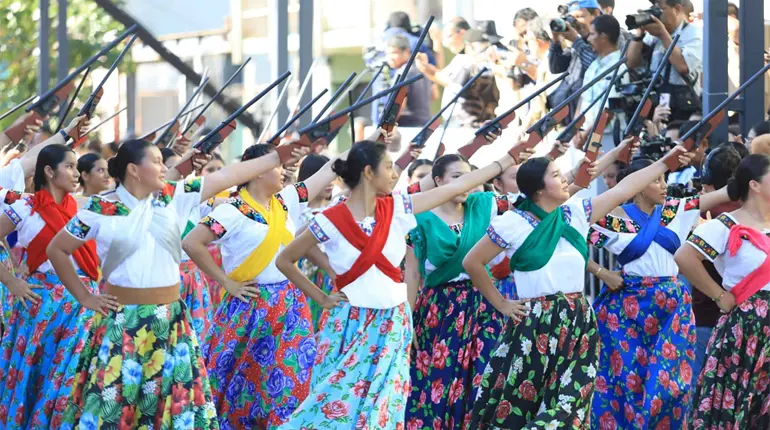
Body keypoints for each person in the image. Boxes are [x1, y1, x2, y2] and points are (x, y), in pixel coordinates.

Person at [47, 139, 308, 428]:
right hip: (122, 320)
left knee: (173, 405)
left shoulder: (175, 196)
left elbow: (227, 176)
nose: (164, 168)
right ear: (134, 169)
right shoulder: (100, 207)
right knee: (116, 403)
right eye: (156, 161)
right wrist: (85, 297)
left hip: (169, 321)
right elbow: (57, 249)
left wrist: (277, 157)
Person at [274, 140, 517, 428]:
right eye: (388, 167)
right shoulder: (330, 219)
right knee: (335, 401)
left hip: (393, 321)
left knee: (385, 406)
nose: (393, 175)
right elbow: (285, 259)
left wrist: (508, 158)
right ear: (368, 172)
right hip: (351, 322)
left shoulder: (399, 207)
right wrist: (322, 297)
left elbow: (456, 187)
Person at [462, 142, 693, 428]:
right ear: (538, 189)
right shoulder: (512, 223)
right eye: (556, 175)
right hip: (535, 323)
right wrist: (501, 303)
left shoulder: (576, 212)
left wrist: (665, 162)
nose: (565, 179)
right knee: (524, 401)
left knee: (572, 403)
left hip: (578, 319)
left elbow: (623, 189)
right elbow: (473, 262)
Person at [181, 145, 340, 428]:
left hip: (290, 306)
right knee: (241, 382)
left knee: (291, 381)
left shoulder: (287, 200)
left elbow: (329, 170)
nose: (284, 171)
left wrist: (374, 139)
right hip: (250, 306)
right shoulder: (232, 211)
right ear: (256, 170)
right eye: (277, 166)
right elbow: (192, 243)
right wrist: (227, 282)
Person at [588, 157, 735, 429]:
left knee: (671, 383)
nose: (665, 185)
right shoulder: (612, 217)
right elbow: (566, 233)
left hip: (671, 307)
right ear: (638, 185)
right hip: (627, 307)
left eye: (664, 178)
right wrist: (601, 272)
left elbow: (725, 193)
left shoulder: (677, 209)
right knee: (626, 378)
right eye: (657, 180)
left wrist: (751, 175)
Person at [404, 154, 518, 429]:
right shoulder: (418, 219)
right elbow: (413, 274)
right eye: (457, 177)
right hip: (440, 310)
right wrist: (407, 322)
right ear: (438, 181)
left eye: (469, 177)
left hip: (483, 304)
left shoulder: (484, 205)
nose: (466, 183)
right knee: (440, 380)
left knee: (486, 375)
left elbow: (532, 202)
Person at [0, 117, 91, 429]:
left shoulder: (84, 208)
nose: (76, 174)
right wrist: (11, 281)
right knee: (36, 375)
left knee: (69, 378)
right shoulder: (24, 207)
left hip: (79, 305)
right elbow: (27, 160)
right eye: (70, 167)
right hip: (40, 304)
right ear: (50, 172)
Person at [675, 154, 770, 428]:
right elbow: (685, 257)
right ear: (754, 184)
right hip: (747, 330)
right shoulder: (725, 225)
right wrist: (719, 296)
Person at [690, 145, 742, 380]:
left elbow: (684, 258)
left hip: (709, 312)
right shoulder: (751, 212)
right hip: (746, 314)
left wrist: (719, 296)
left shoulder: (703, 213)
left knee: (703, 385)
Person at [627, 0, 703, 122]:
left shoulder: (694, 33)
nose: (656, 13)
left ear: (677, 9)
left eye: (660, 9)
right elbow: (631, 63)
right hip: (655, 103)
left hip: (682, 109)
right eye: (654, 7)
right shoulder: (652, 35)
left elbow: (683, 66)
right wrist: (639, 33)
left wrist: (663, 34)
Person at [548, 0, 601, 123]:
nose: (576, 23)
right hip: (566, 117)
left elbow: (597, 69)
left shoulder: (611, 36)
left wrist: (576, 40)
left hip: (588, 120)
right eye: (572, 18)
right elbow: (556, 68)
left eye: (580, 16)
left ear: (596, 14)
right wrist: (555, 40)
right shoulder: (579, 42)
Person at [370, 35, 433, 128]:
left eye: (394, 53)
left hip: (408, 127)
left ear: (407, 52)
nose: (389, 57)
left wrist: (385, 127)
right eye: (387, 54)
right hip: (426, 124)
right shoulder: (421, 69)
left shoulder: (403, 73)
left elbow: (398, 106)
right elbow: (434, 95)